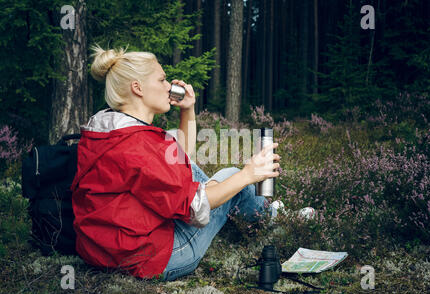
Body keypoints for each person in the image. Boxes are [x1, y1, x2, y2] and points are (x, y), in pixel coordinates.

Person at [70, 44, 281, 281]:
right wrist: (248, 174)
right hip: (152, 258)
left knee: (192, 162)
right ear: (137, 88)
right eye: (161, 80)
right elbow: (194, 206)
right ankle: (274, 218)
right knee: (233, 177)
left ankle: (258, 207)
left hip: (102, 251)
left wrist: (187, 110)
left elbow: (178, 159)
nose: (169, 86)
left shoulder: (107, 130)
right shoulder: (140, 146)